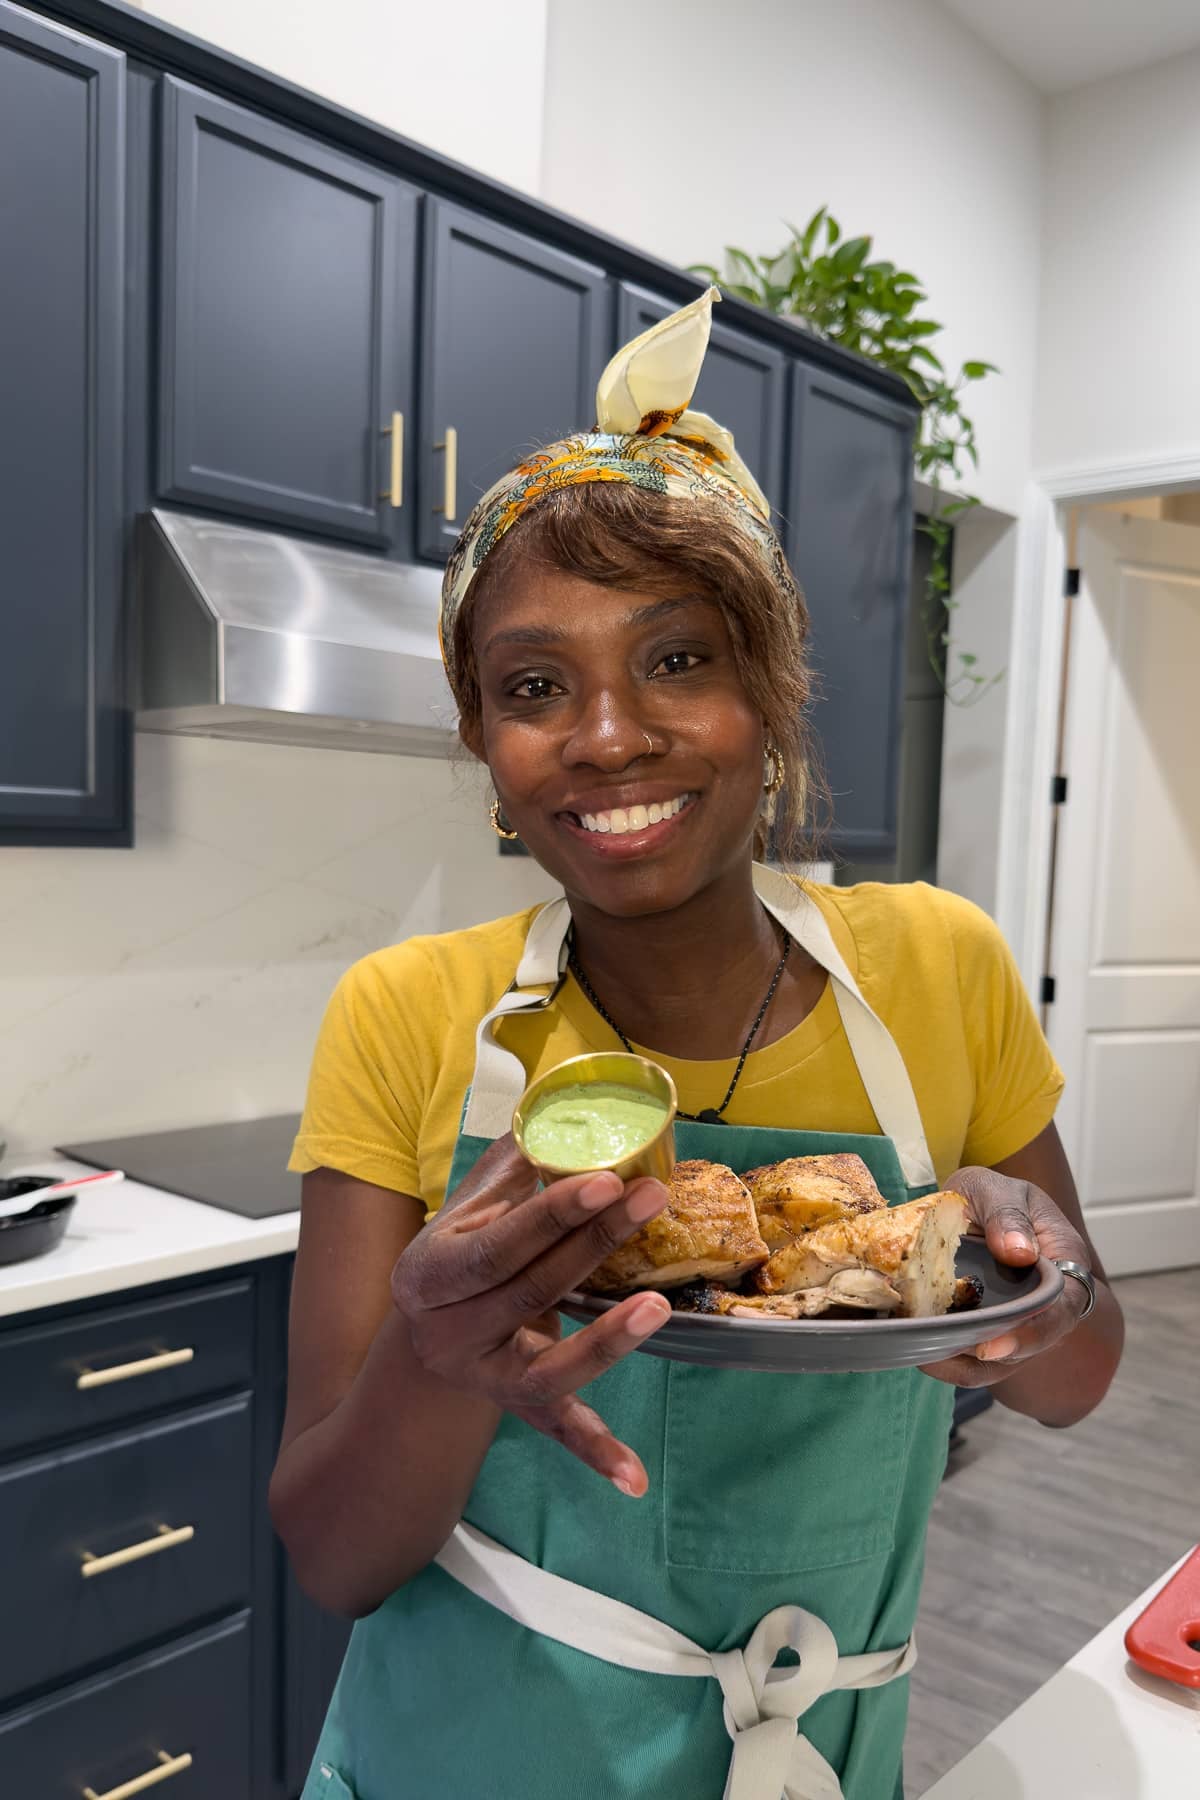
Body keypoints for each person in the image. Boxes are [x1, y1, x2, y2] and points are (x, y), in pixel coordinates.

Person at [270, 290, 1124, 1800]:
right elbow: (334, 1557)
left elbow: (1075, 1378)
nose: (605, 736)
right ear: (482, 739)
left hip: (816, 1755)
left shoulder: (940, 968)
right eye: (534, 686)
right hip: (467, 1755)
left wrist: (1039, 1290)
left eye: (676, 660)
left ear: (773, 697)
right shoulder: (410, 1015)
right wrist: (438, 1357)